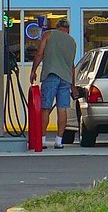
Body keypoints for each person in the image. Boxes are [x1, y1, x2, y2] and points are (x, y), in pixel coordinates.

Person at [29, 18, 76, 150]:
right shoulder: (72, 41)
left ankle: (42, 139)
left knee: (45, 107)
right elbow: (71, 65)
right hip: (66, 79)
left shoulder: (49, 34)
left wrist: (33, 71)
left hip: (51, 75)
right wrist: (73, 85)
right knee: (62, 109)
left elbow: (39, 54)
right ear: (68, 29)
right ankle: (59, 141)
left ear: (57, 27)